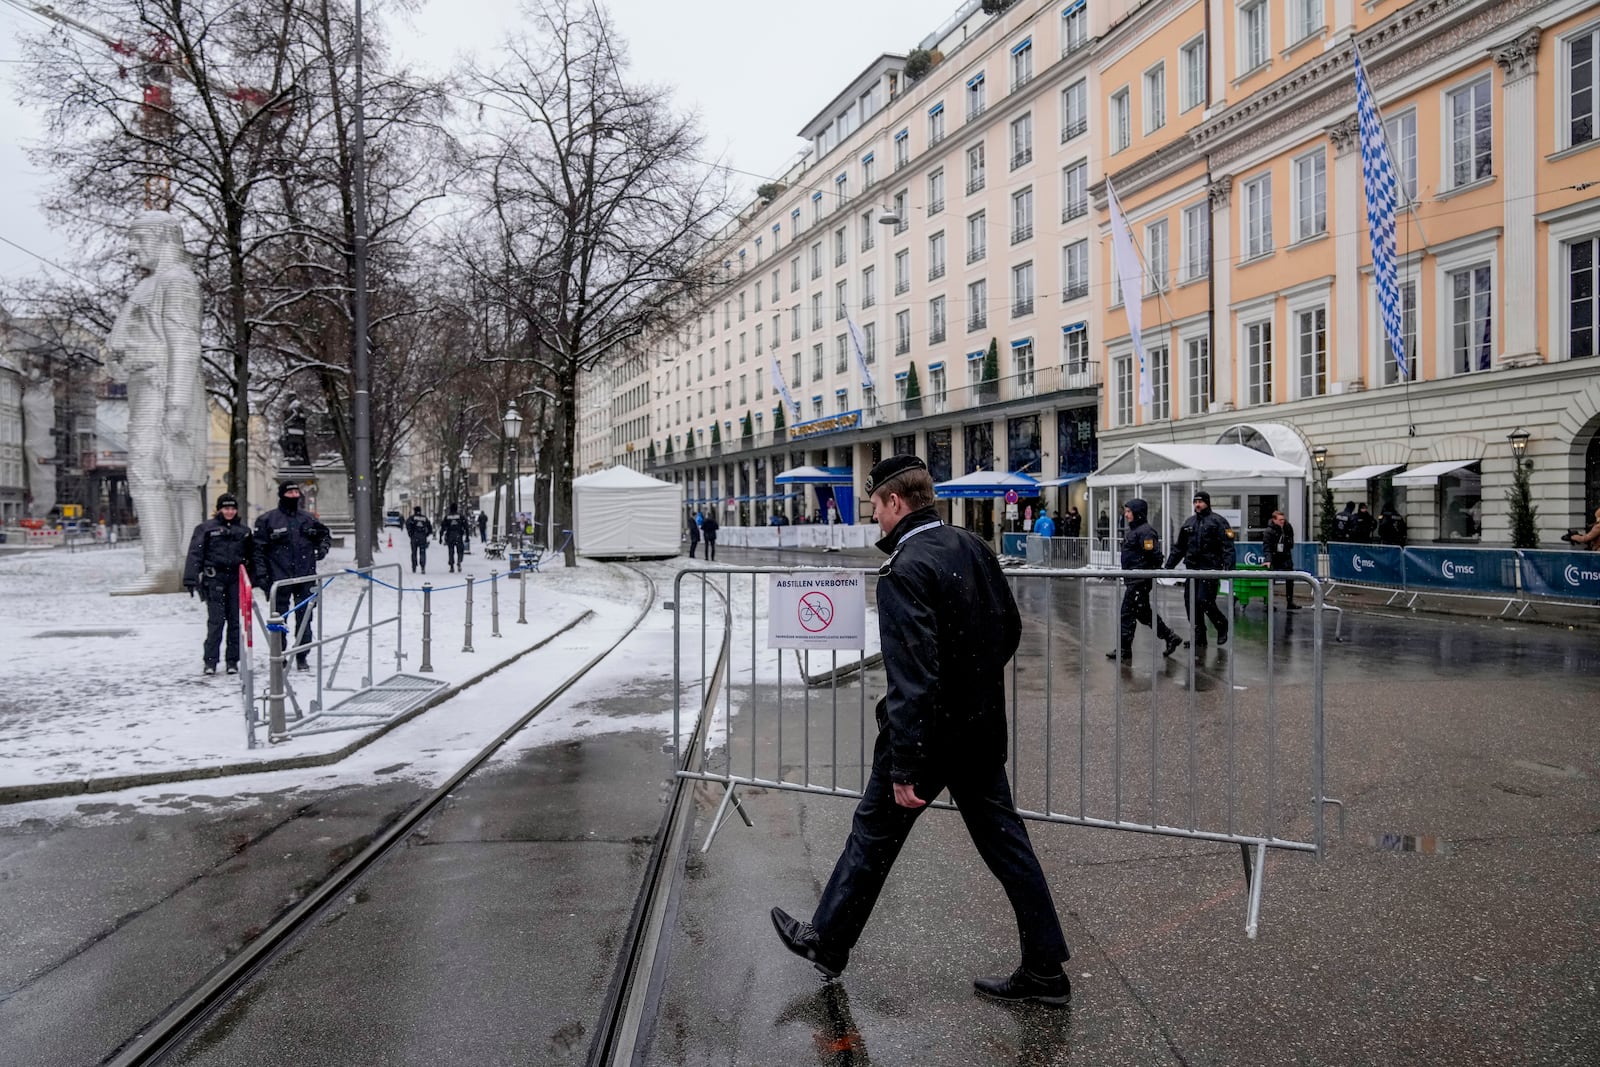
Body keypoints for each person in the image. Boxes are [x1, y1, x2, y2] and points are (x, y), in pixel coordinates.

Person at [770, 454, 1072, 1007]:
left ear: (895, 501)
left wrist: (907, 762)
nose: (875, 519)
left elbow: (913, 672)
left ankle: (828, 942)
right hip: (977, 728)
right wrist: (972, 684)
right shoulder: (971, 547)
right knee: (1009, 848)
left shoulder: (905, 569)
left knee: (872, 836)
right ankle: (1046, 969)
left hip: (928, 737)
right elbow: (1007, 629)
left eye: (876, 507)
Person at [106, 211, 208, 593]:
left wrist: (178, 404)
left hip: (162, 387)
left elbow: (184, 342)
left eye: (138, 238)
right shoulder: (152, 284)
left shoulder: (176, 281)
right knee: (169, 478)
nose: (132, 248)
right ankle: (182, 566)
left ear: (164, 237)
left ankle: (166, 565)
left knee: (154, 476)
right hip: (148, 384)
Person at [253, 481, 332, 671]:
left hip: (305, 576)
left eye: (296, 492)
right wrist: (262, 576)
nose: (293, 495)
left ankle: (302, 655)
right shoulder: (267, 520)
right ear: (282, 495)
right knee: (279, 619)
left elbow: (324, 535)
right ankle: (279, 655)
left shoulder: (307, 518)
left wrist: (322, 548)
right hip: (279, 578)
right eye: (289, 492)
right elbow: (258, 550)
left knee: (305, 618)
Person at [182, 493, 255, 675]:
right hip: (214, 580)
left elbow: (252, 557)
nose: (229, 512)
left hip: (235, 581)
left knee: (234, 622)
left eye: (232, 508)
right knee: (216, 622)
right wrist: (191, 578)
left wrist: (254, 580)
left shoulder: (243, 531)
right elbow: (195, 554)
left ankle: (232, 661)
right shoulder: (206, 529)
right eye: (226, 508)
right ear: (219, 509)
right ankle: (210, 661)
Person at [1108, 498, 1183, 662]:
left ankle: (1124, 650)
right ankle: (1170, 636)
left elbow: (1156, 556)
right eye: (1125, 511)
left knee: (1127, 614)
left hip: (1139, 581)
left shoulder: (1146, 532)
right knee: (1143, 614)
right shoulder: (1135, 531)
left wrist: (1144, 573)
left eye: (1129, 512)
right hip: (1134, 580)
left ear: (1137, 513)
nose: (1126, 515)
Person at [1166, 489, 1235, 648]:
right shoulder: (1189, 523)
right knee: (1190, 603)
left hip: (1210, 569)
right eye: (1195, 502)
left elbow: (1227, 546)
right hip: (1193, 569)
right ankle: (1199, 636)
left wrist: (1229, 567)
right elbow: (1179, 547)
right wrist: (1168, 566)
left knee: (1204, 600)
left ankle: (1221, 624)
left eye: (1201, 501)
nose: (1198, 504)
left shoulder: (1218, 522)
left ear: (1207, 503)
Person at [1263, 509, 1300, 610]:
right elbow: (1267, 547)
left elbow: (1291, 541)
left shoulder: (1287, 527)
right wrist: (1268, 559)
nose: (1282, 522)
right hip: (1275, 556)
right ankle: (1268, 603)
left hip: (1285, 555)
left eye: (1283, 519)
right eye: (1280, 520)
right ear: (1274, 520)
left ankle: (1290, 601)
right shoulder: (1269, 531)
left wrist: (1288, 543)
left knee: (1290, 578)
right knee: (1271, 580)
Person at [404, 507, 433, 574]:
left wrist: (410, 533)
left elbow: (407, 525)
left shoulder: (412, 518)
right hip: (422, 537)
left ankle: (414, 566)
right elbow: (430, 528)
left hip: (414, 537)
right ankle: (423, 567)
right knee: (422, 552)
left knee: (414, 552)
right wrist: (426, 534)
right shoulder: (424, 518)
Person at [441, 506, 470, 572]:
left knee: (451, 551)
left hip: (450, 536)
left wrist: (441, 536)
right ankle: (459, 562)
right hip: (458, 535)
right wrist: (467, 536)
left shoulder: (447, 517)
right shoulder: (460, 516)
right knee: (460, 550)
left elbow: (443, 527)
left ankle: (451, 566)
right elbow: (466, 526)